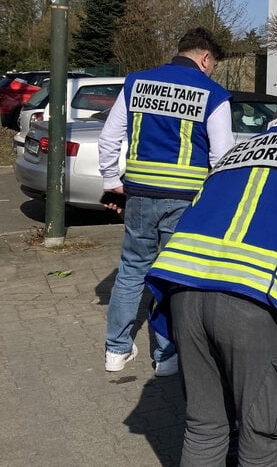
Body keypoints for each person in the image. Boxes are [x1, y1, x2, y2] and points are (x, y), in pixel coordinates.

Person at [145, 103, 277, 465]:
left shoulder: (232, 156)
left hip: (185, 294)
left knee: (203, 427)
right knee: (260, 435)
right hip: (256, 306)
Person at [99, 27, 234, 377]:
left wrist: (112, 181)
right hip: (186, 200)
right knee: (173, 276)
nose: (212, 71)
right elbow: (222, 158)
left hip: (140, 194)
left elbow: (110, 137)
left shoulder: (137, 83)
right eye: (213, 65)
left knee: (131, 268)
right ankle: (166, 356)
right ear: (205, 58)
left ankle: (115, 350)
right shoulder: (213, 94)